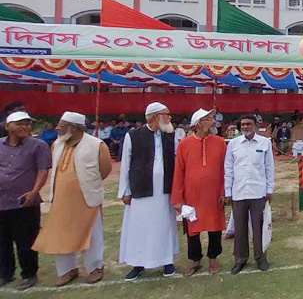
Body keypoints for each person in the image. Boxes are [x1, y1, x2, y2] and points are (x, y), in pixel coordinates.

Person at [32, 112, 112, 286]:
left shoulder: (97, 145)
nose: (57, 129)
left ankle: (95, 268)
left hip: (87, 198)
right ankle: (67, 270)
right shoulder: (57, 145)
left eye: (61, 126)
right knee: (61, 234)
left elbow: (105, 170)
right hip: (61, 199)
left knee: (92, 234)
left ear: (73, 128)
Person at [118, 102, 179, 281]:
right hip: (142, 188)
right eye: (167, 114)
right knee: (140, 227)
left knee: (165, 225)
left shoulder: (170, 135)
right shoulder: (133, 135)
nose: (170, 118)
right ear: (156, 117)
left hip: (165, 190)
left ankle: (167, 261)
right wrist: (125, 190)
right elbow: (125, 164)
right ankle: (138, 263)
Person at [172, 109, 227, 277]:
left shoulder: (220, 142)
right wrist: (177, 198)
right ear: (198, 124)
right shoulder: (184, 144)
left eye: (212, 118)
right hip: (192, 195)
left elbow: (226, 169)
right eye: (209, 119)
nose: (213, 121)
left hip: (214, 194)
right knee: (193, 229)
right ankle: (195, 260)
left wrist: (224, 191)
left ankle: (213, 258)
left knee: (214, 226)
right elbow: (179, 172)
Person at [0, 111, 51, 291]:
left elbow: (43, 170)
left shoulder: (39, 145)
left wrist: (34, 191)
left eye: (27, 123)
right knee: (2, 241)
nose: (24, 126)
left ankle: (29, 274)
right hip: (1, 201)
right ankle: (5, 274)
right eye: (19, 123)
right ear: (7, 126)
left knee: (26, 241)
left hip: (25, 202)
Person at [225, 115, 274, 274]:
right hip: (238, 192)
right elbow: (228, 169)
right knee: (239, 228)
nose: (245, 127)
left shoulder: (264, 143)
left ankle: (261, 258)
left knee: (258, 227)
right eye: (243, 124)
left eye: (249, 124)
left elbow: (269, 168)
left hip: (258, 191)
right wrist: (228, 191)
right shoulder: (233, 144)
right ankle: (240, 259)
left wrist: (269, 190)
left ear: (255, 125)